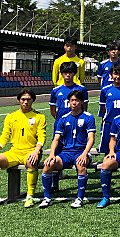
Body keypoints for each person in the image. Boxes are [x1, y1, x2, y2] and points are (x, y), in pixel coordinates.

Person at [0, 88, 46, 209]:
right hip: (14, 152)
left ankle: (30, 196)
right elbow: (4, 137)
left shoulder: (39, 117)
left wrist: (36, 151)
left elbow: (41, 137)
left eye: (28, 99)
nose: (25, 102)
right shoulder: (11, 117)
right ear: (19, 100)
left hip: (31, 151)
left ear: (33, 100)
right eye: (23, 99)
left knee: (31, 161)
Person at [39, 89, 95, 208]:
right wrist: (52, 154)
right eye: (72, 100)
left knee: (81, 164)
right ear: (68, 102)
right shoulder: (63, 118)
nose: (74, 103)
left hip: (81, 152)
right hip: (66, 153)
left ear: (81, 102)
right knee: (48, 165)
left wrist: (85, 154)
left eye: (77, 100)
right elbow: (56, 139)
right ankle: (47, 198)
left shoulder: (89, 117)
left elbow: (91, 139)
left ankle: (79, 198)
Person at [49, 61, 89, 193]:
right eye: (65, 72)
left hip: (77, 125)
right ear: (61, 74)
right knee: (56, 152)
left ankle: (80, 182)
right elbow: (53, 110)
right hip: (61, 126)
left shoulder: (81, 89)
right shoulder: (56, 90)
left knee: (79, 150)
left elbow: (85, 108)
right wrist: (61, 121)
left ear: (74, 74)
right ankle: (55, 184)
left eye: (70, 72)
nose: (68, 75)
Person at [98, 63, 120, 192]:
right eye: (115, 74)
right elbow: (103, 108)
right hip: (109, 123)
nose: (117, 77)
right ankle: (107, 182)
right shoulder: (105, 89)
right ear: (111, 75)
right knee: (109, 152)